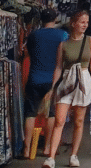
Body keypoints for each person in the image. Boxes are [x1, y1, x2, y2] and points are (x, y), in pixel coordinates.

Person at [40, 11, 91, 168]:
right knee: (59, 120)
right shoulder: (63, 44)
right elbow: (58, 67)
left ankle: (74, 155)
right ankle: (51, 158)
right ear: (73, 23)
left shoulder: (90, 41)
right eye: (82, 22)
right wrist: (53, 87)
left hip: (84, 79)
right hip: (66, 81)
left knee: (78, 121)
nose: (85, 24)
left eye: (87, 22)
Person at [21, 9, 67, 159]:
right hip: (52, 80)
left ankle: (27, 150)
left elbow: (29, 52)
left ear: (41, 20)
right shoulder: (62, 35)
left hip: (34, 78)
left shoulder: (34, 35)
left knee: (30, 113)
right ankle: (47, 147)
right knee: (51, 114)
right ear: (55, 19)